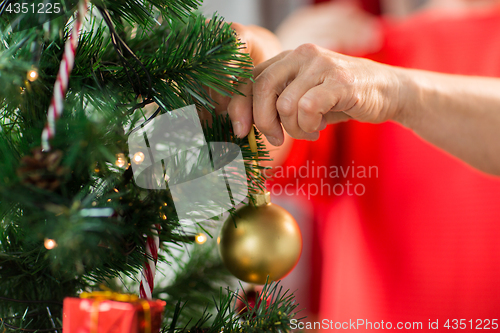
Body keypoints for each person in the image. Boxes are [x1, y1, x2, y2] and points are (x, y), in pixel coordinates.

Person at [219, 0, 500, 328]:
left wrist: (394, 91)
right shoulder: (354, 42)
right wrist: (260, 75)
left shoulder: (363, 69)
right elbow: (268, 154)